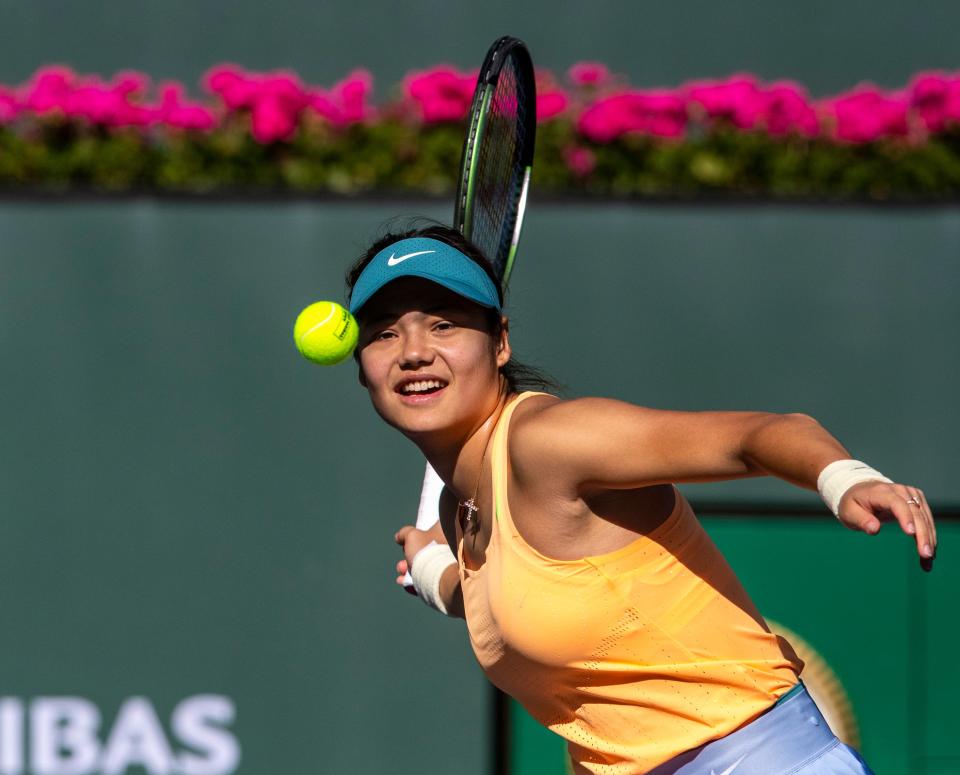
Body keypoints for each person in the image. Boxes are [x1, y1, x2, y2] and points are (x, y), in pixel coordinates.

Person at [344, 223, 936, 775]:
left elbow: (755, 437)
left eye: (444, 324)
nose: (414, 351)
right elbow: (499, 602)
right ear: (362, 368)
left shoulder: (549, 443)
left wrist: (844, 478)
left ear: (499, 343)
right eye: (385, 333)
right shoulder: (461, 509)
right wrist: (432, 570)